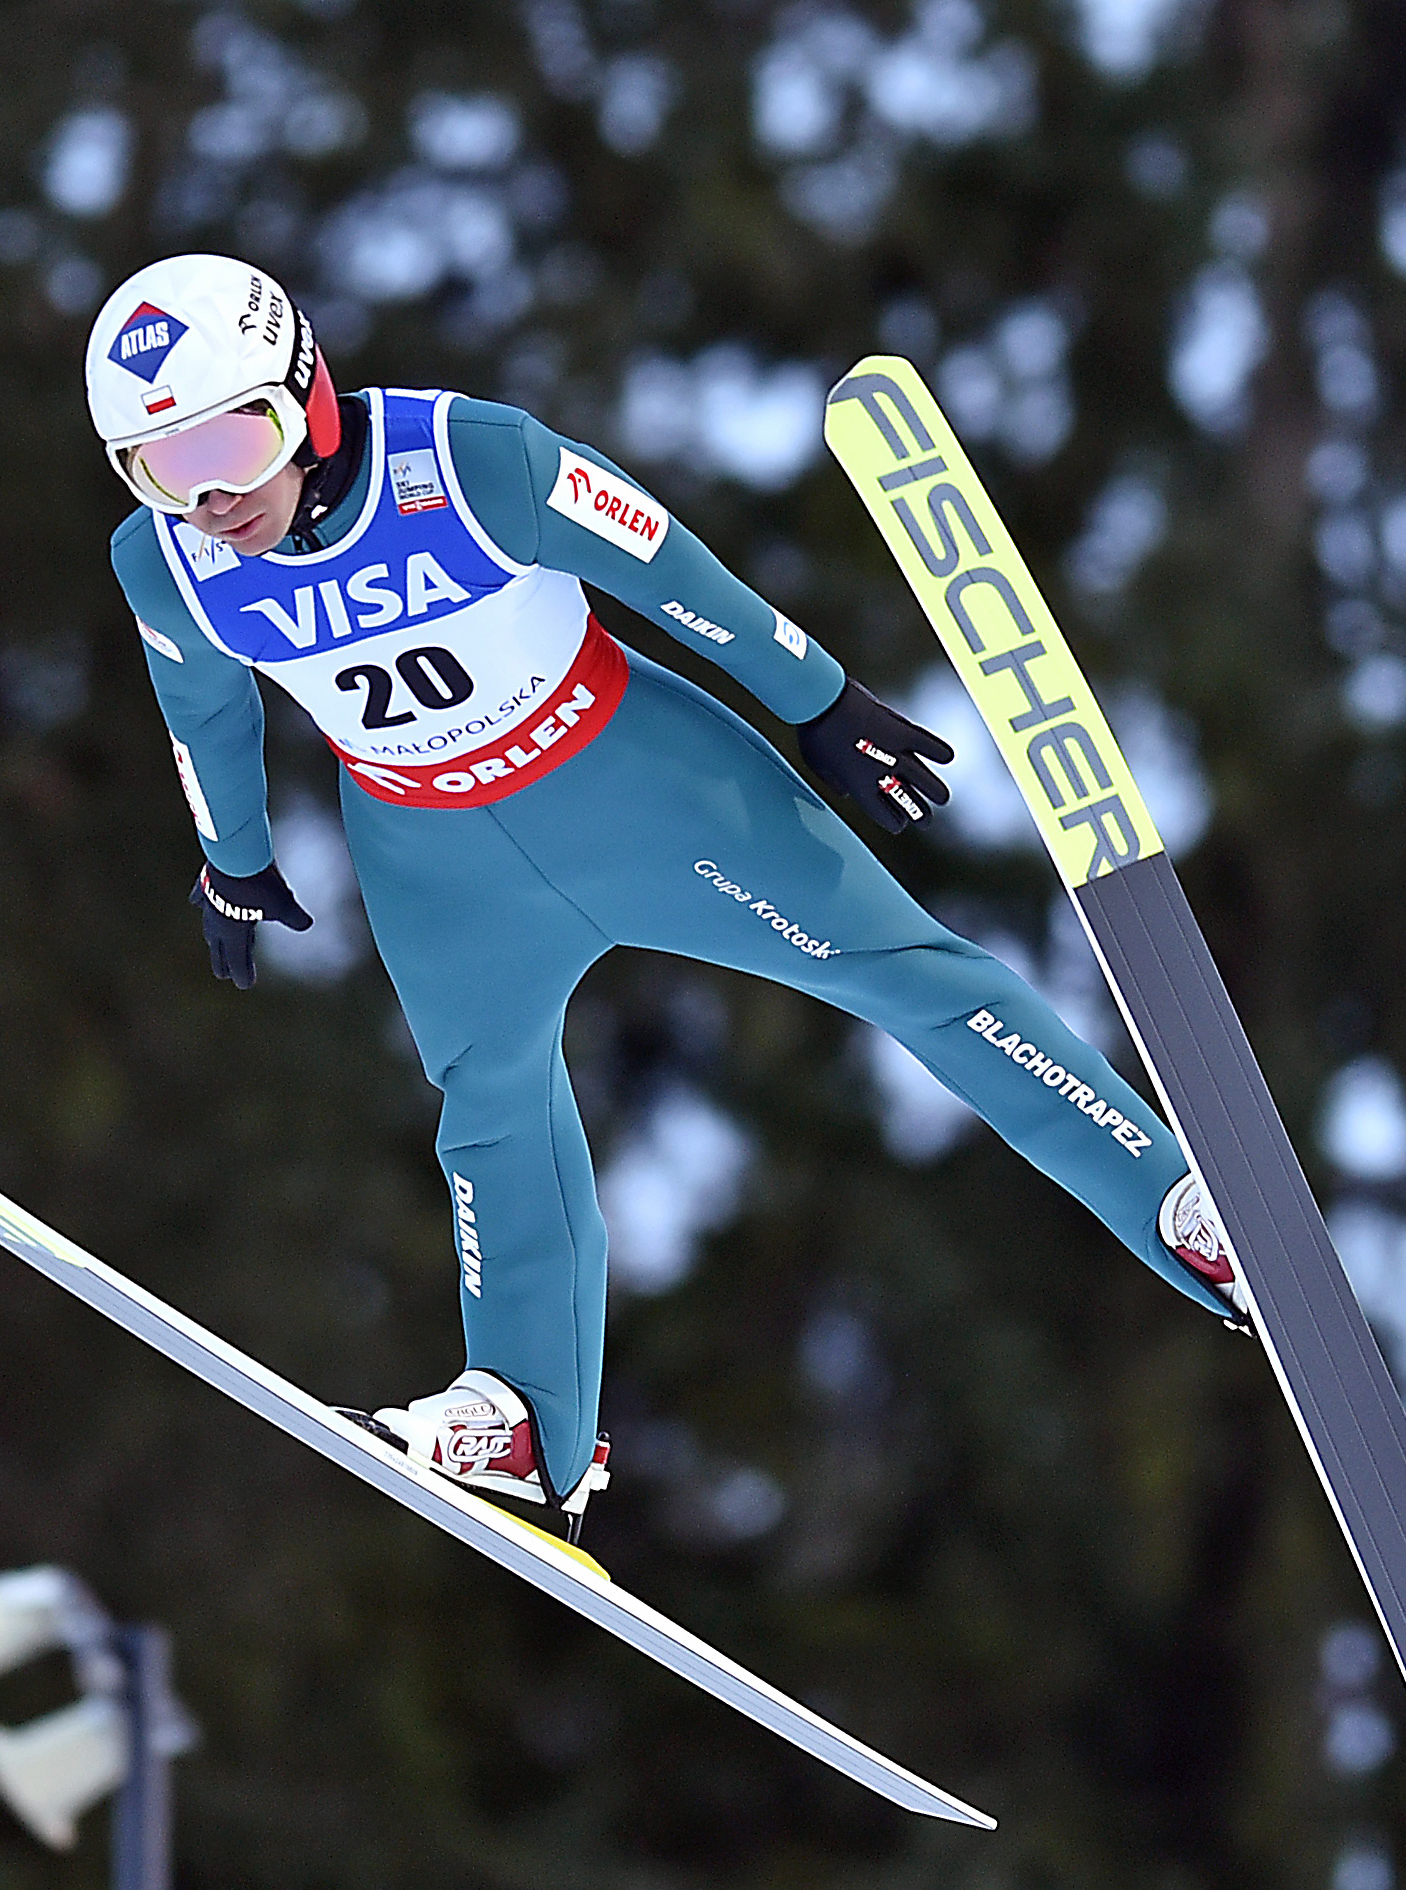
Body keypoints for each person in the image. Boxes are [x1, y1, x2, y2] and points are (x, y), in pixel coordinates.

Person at [88, 254, 1240, 1539]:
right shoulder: (169, 563)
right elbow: (201, 708)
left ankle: (1175, 1201)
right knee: (489, 1107)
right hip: (434, 856)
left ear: (303, 393)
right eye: (158, 464)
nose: (212, 495)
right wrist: (231, 855)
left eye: (229, 440)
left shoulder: (469, 460)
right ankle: (527, 1424)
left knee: (901, 972)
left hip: (636, 782)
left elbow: (665, 566)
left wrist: (815, 699)